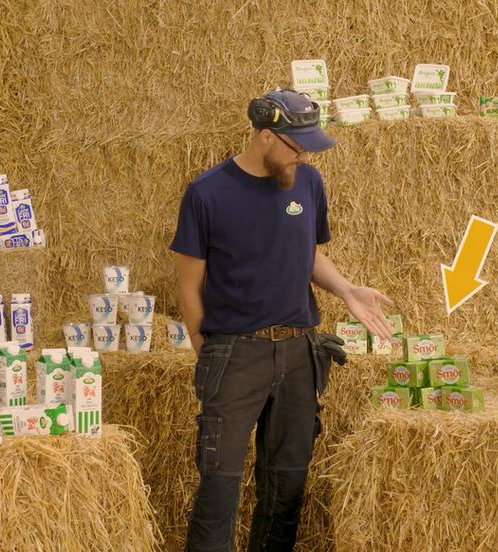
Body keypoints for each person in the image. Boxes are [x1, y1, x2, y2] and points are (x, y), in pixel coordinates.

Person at [170, 87, 393, 552]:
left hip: (298, 352)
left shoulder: (307, 183)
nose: (305, 156)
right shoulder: (206, 193)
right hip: (235, 352)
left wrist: (347, 289)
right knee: (219, 484)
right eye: (298, 147)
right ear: (266, 137)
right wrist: (201, 343)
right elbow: (189, 284)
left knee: (286, 486)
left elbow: (308, 253)